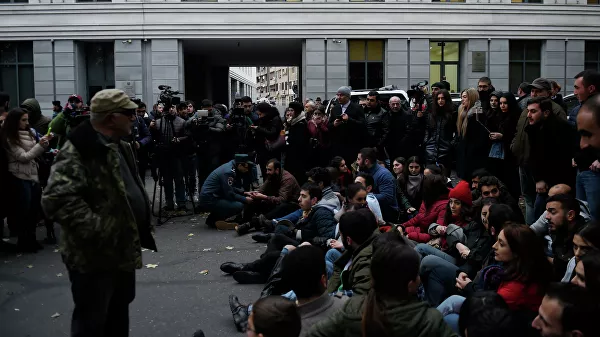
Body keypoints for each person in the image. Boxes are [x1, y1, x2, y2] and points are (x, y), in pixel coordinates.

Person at [41, 89, 157, 337]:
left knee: (118, 315)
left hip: (120, 252)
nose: (135, 117)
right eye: (128, 113)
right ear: (111, 118)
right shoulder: (79, 149)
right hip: (93, 257)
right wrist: (102, 231)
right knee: (92, 322)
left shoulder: (121, 146)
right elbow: (57, 199)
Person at [306, 232, 457, 337]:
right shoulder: (430, 320)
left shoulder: (352, 308)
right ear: (410, 284)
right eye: (417, 275)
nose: (420, 278)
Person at [0, 108, 53, 252]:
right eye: (23, 120)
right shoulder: (9, 137)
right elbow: (23, 157)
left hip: (32, 175)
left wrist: (44, 143)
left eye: (27, 119)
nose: (27, 122)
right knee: (23, 212)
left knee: (33, 211)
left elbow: (34, 151)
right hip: (19, 176)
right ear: (15, 121)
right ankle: (24, 241)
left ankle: (31, 240)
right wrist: (40, 145)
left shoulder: (29, 132)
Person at [327, 208, 379, 296]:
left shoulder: (365, 262)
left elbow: (359, 297)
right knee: (331, 254)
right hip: (342, 288)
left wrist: (332, 296)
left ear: (348, 240)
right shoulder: (358, 247)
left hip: (345, 298)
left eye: (341, 235)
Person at [199, 154, 254, 228]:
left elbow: (229, 188)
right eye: (246, 167)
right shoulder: (229, 172)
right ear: (240, 165)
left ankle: (212, 219)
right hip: (210, 199)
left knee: (239, 200)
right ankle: (215, 220)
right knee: (239, 205)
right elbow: (230, 194)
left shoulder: (231, 166)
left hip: (214, 195)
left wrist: (244, 192)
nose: (247, 170)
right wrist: (245, 199)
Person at [545, 194, 588, 279]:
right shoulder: (558, 229)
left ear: (570, 215)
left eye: (552, 212)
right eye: (547, 212)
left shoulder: (585, 239)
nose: (547, 217)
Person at [401, 174, 449, 243]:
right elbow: (419, 217)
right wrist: (402, 226)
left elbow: (436, 234)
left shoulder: (444, 206)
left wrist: (412, 235)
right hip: (421, 230)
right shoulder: (427, 199)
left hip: (428, 238)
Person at [455, 88, 491, 180]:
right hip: (464, 154)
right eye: (461, 97)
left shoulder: (477, 114)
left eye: (464, 97)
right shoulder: (462, 113)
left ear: (471, 98)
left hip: (474, 157)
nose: (462, 99)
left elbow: (479, 138)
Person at [356, 147, 398, 222]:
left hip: (387, 214)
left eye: (359, 159)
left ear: (366, 161)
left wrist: (363, 196)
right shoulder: (363, 171)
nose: (357, 162)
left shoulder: (384, 174)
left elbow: (387, 197)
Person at [328, 86, 367, 166]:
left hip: (352, 145)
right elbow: (329, 125)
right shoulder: (335, 108)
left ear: (348, 96)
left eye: (341, 95)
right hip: (338, 146)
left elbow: (362, 125)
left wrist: (349, 120)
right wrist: (334, 124)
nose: (339, 97)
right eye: (337, 95)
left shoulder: (357, 108)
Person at [424, 89, 455, 172]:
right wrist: (426, 141)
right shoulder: (432, 114)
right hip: (430, 149)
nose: (440, 101)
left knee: (444, 177)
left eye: (443, 98)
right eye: (438, 98)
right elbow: (428, 129)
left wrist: (451, 144)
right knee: (429, 176)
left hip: (445, 150)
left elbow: (457, 131)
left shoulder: (452, 114)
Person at [284, 102, 310, 185]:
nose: (289, 113)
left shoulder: (301, 124)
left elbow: (298, 142)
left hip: (298, 157)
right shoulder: (293, 122)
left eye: (292, 110)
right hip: (293, 155)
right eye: (289, 110)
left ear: (297, 111)